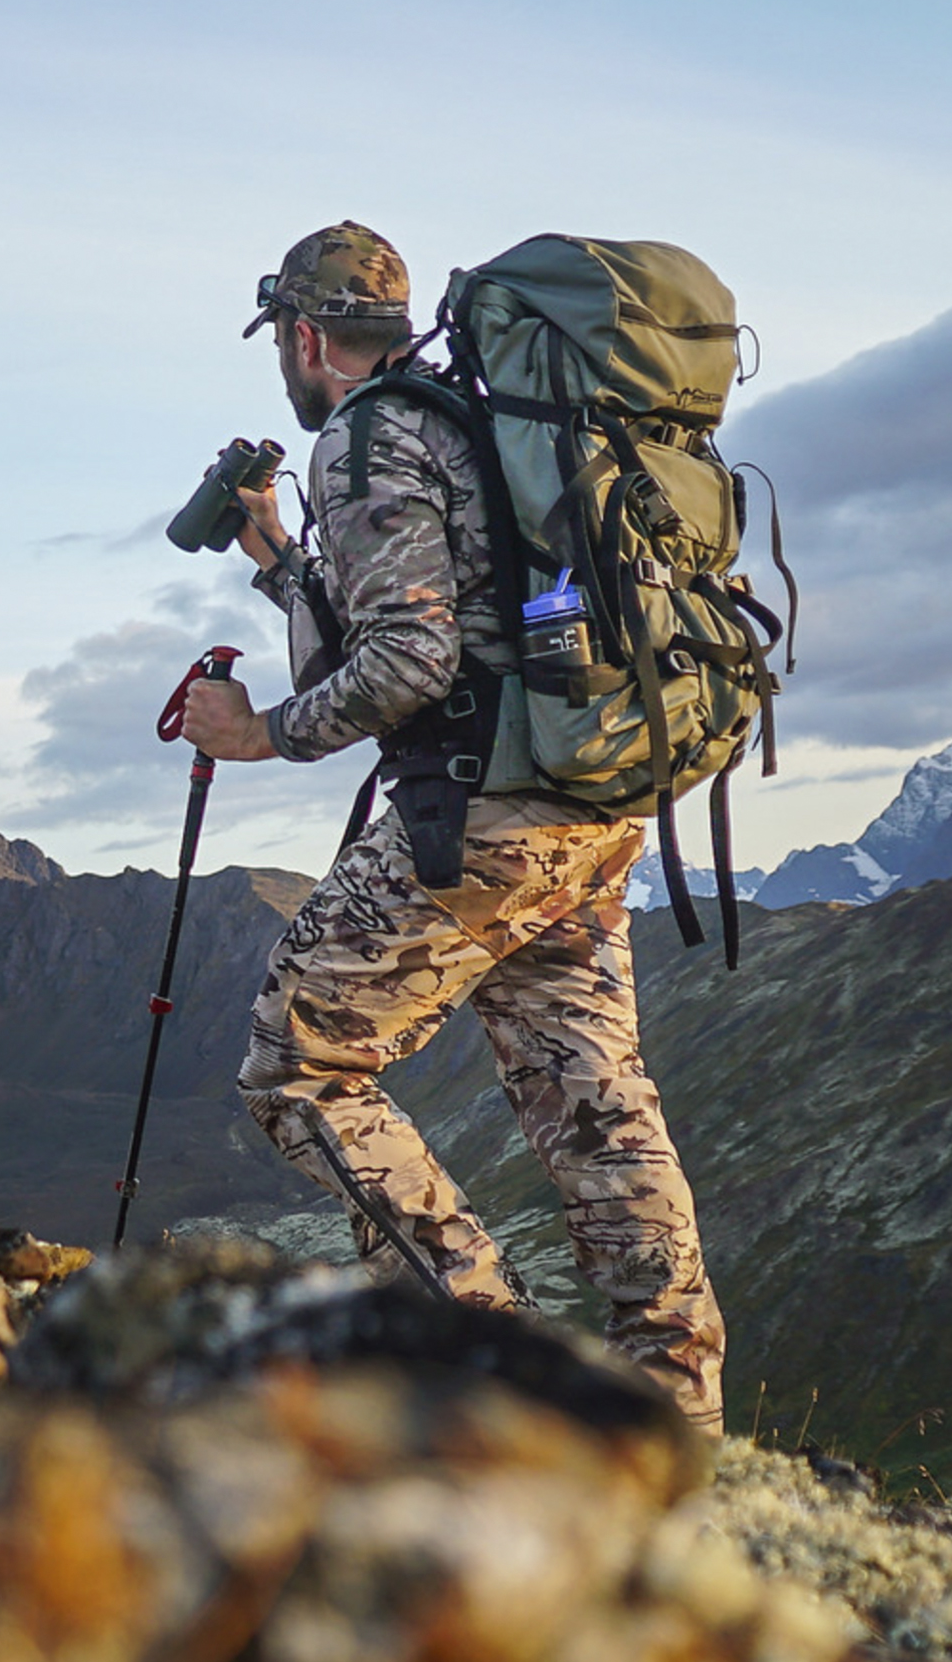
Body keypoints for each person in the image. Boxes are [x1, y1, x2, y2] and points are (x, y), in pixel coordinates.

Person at [175, 221, 729, 1432]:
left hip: (477, 818)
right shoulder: (476, 419)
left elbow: (415, 656)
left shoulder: (367, 440)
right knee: (596, 1102)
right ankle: (678, 1413)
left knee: (300, 1063)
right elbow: (445, 604)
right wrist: (276, 552)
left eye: (284, 339)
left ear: (303, 335)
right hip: (588, 805)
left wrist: (259, 731)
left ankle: (477, 1355)